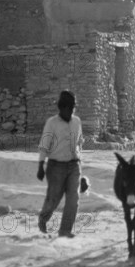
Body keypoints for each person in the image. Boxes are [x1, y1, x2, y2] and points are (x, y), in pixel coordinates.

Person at [37, 90, 84, 238]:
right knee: (54, 198)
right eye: (67, 108)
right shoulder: (52, 123)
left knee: (73, 199)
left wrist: (79, 157)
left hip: (73, 165)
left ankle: (65, 230)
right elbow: (44, 145)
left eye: (72, 108)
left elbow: (80, 141)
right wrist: (40, 165)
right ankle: (43, 218)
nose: (70, 111)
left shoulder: (77, 121)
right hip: (56, 166)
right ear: (61, 108)